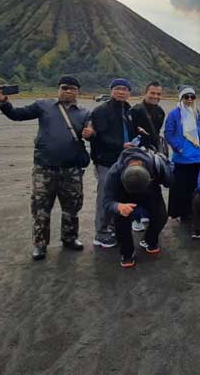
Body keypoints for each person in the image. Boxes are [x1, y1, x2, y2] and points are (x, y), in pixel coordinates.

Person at [0, 75, 89, 260]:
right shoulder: (43, 106)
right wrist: (4, 103)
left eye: (72, 88)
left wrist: (90, 133)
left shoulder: (84, 113)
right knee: (40, 208)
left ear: (78, 92)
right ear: (58, 89)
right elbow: (17, 115)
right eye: (64, 87)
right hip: (44, 168)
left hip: (71, 170)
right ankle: (40, 245)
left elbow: (91, 132)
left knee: (72, 207)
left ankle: (70, 238)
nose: (68, 91)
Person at [85, 78, 136, 248]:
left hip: (123, 161)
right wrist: (120, 145)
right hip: (106, 161)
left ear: (129, 92)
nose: (121, 92)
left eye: (125, 89)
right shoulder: (101, 111)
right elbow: (99, 137)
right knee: (105, 197)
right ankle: (101, 233)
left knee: (120, 196)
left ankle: (113, 227)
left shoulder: (128, 110)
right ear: (111, 90)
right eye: (118, 88)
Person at [102, 147, 171, 267]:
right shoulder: (114, 174)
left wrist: (167, 169)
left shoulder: (156, 164)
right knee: (120, 220)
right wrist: (117, 206)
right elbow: (106, 201)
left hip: (150, 192)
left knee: (161, 215)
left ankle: (149, 239)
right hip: (124, 199)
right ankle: (127, 253)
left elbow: (170, 182)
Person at [166, 85, 200, 223]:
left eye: (192, 97)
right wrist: (178, 148)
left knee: (194, 186)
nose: (189, 99)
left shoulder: (196, 113)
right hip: (182, 158)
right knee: (181, 188)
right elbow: (168, 133)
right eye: (186, 97)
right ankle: (182, 213)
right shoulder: (174, 114)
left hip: (196, 157)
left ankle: (193, 211)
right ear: (181, 98)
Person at [131, 81, 165, 152]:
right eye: (152, 93)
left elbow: (157, 132)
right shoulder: (135, 111)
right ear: (145, 93)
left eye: (158, 94)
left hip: (154, 151)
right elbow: (130, 134)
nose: (155, 96)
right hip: (138, 151)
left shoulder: (160, 112)